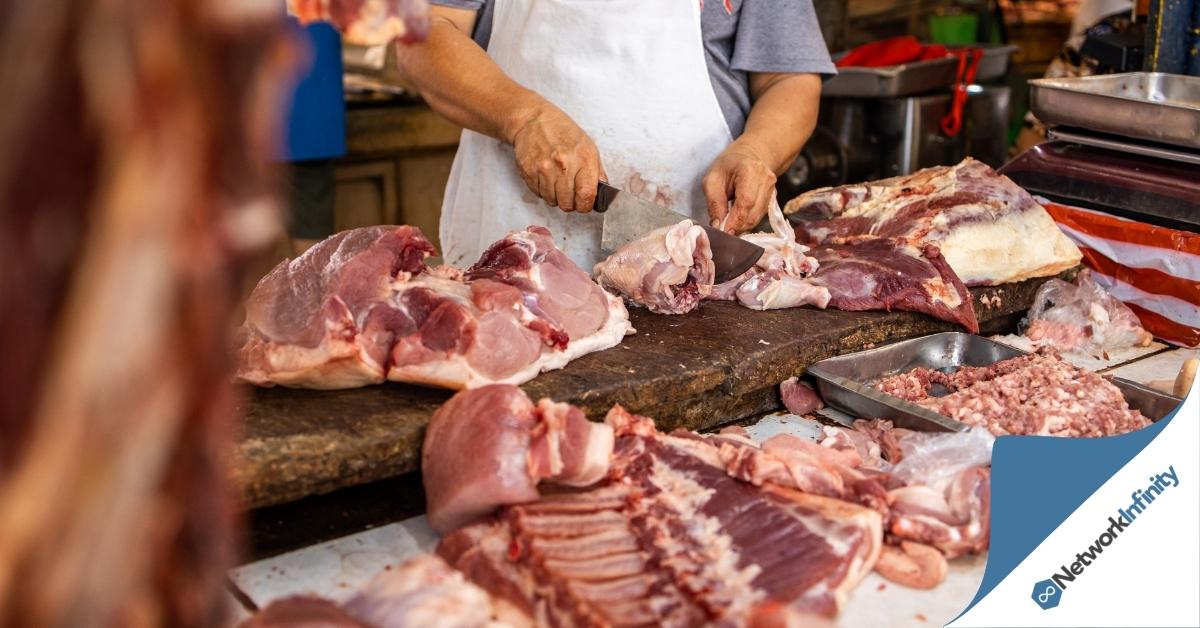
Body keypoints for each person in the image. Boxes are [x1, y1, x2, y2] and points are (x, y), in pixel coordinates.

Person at [394, 0, 834, 269]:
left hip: (686, 252)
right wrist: (525, 119)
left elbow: (788, 78)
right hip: (512, 249)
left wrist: (758, 149)